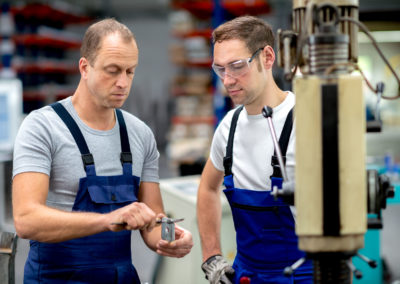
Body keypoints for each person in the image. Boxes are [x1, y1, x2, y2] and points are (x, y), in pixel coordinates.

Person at [12, 18, 193, 284]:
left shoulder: (139, 134)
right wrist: (107, 220)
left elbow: (154, 219)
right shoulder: (42, 127)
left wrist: (169, 237)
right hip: (57, 278)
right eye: (113, 70)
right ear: (84, 67)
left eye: (130, 71)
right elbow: (26, 220)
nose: (123, 82)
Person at [197, 16, 313, 284]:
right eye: (220, 69)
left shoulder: (307, 121)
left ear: (267, 57)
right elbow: (207, 188)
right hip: (247, 273)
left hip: (303, 272)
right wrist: (212, 255)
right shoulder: (229, 126)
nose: (227, 80)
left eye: (237, 66)